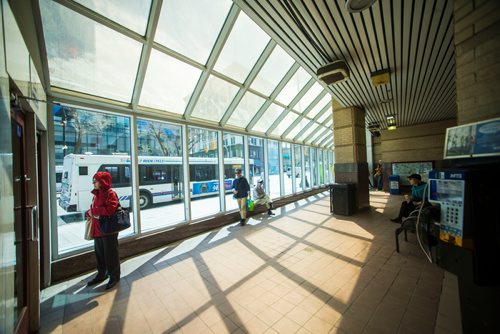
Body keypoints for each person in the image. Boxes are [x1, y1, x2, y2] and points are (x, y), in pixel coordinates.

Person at [86, 171, 121, 289]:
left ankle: (114, 276)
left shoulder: (110, 194)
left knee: (111, 254)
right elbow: (94, 209)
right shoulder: (96, 194)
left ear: (102, 182)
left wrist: (94, 212)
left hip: (108, 230)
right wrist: (89, 213)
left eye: (95, 181)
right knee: (100, 254)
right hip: (97, 229)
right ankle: (102, 273)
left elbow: (110, 210)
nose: (93, 183)